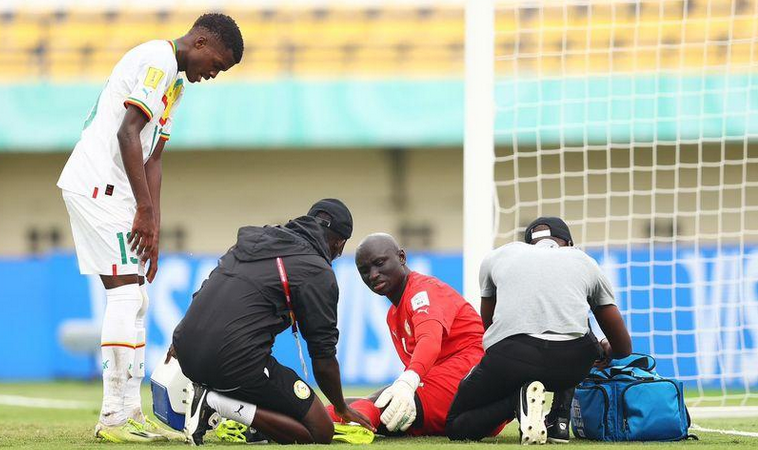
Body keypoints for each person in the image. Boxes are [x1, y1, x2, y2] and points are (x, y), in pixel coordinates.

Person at [56, 13, 243, 443]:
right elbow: (127, 133)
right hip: (99, 185)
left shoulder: (174, 82)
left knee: (136, 297)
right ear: (200, 42)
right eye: (217, 63)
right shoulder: (157, 61)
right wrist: (142, 208)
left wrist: (152, 224)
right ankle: (113, 418)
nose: (213, 74)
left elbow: (153, 158)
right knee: (125, 293)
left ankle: (128, 414)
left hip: (116, 191)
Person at [171, 199, 373, 445]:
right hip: (232, 362)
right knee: (320, 430)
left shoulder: (255, 240)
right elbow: (323, 357)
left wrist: (183, 336)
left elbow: (206, 288)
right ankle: (214, 402)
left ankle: (247, 422)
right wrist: (341, 407)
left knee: (277, 397)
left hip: (184, 347)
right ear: (339, 243)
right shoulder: (316, 271)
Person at [446, 217, 632, 444]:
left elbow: (491, 329)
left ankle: (515, 401)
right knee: (580, 329)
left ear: (527, 244)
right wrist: (603, 349)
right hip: (571, 365)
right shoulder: (584, 261)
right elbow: (623, 348)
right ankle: (559, 422)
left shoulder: (498, 256)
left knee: (456, 424)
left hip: (512, 359)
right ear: (569, 244)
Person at [329, 233, 506, 437]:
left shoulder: (422, 292)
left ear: (402, 257)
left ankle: (326, 425)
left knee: (391, 408)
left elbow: (429, 340)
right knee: (381, 401)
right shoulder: (393, 314)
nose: (373, 274)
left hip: (472, 374)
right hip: (462, 399)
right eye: (364, 271)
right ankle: (320, 417)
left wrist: (407, 381)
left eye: (379, 263)